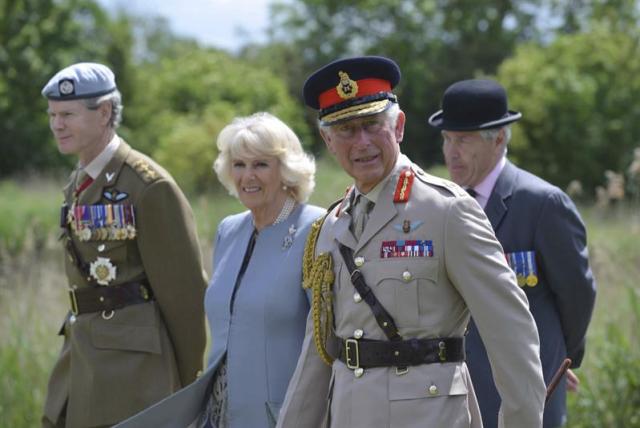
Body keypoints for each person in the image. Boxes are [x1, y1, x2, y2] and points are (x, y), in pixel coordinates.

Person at [276, 56, 546, 428]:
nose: (362, 142)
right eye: (346, 130)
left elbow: (512, 334)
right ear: (327, 139)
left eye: (372, 125)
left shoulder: (446, 212)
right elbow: (319, 351)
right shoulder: (332, 225)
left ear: (398, 126)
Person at [114, 112, 325, 428]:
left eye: (261, 164)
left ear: (286, 169)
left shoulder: (318, 228)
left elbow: (324, 341)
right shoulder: (230, 230)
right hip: (218, 413)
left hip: (282, 416)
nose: (248, 176)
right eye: (239, 164)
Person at [41, 62, 207, 428]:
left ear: (103, 113)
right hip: (82, 354)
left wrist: (186, 390)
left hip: (134, 371)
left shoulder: (148, 185)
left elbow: (185, 297)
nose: (57, 124)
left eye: (68, 114)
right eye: (53, 114)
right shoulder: (79, 182)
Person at [429, 78, 597, 427]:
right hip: (457, 390)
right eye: (447, 139)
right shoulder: (441, 204)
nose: (451, 151)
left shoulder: (542, 203)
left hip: (526, 388)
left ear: (499, 139)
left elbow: (577, 294)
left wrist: (560, 359)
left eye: (463, 139)